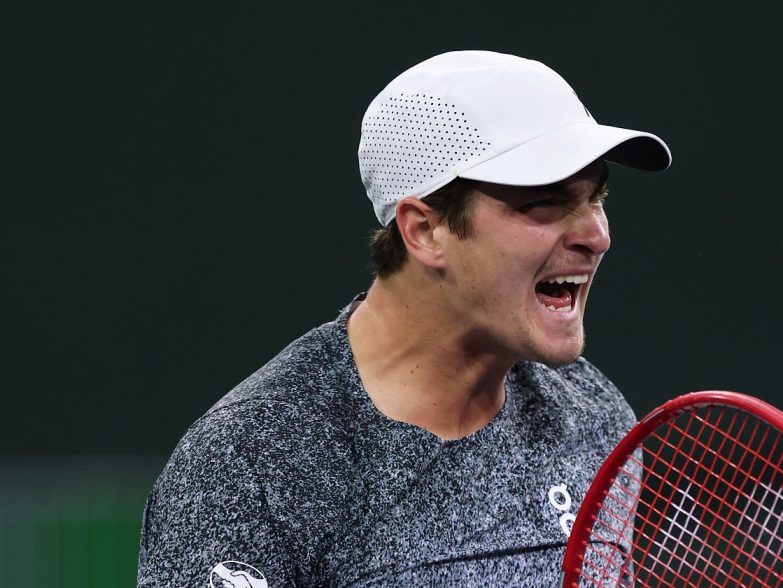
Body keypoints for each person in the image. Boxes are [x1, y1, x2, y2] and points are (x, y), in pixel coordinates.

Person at [137, 50, 671, 587]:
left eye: (596, 197)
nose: (597, 236)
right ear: (423, 231)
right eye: (545, 203)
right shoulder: (249, 464)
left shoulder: (593, 415)